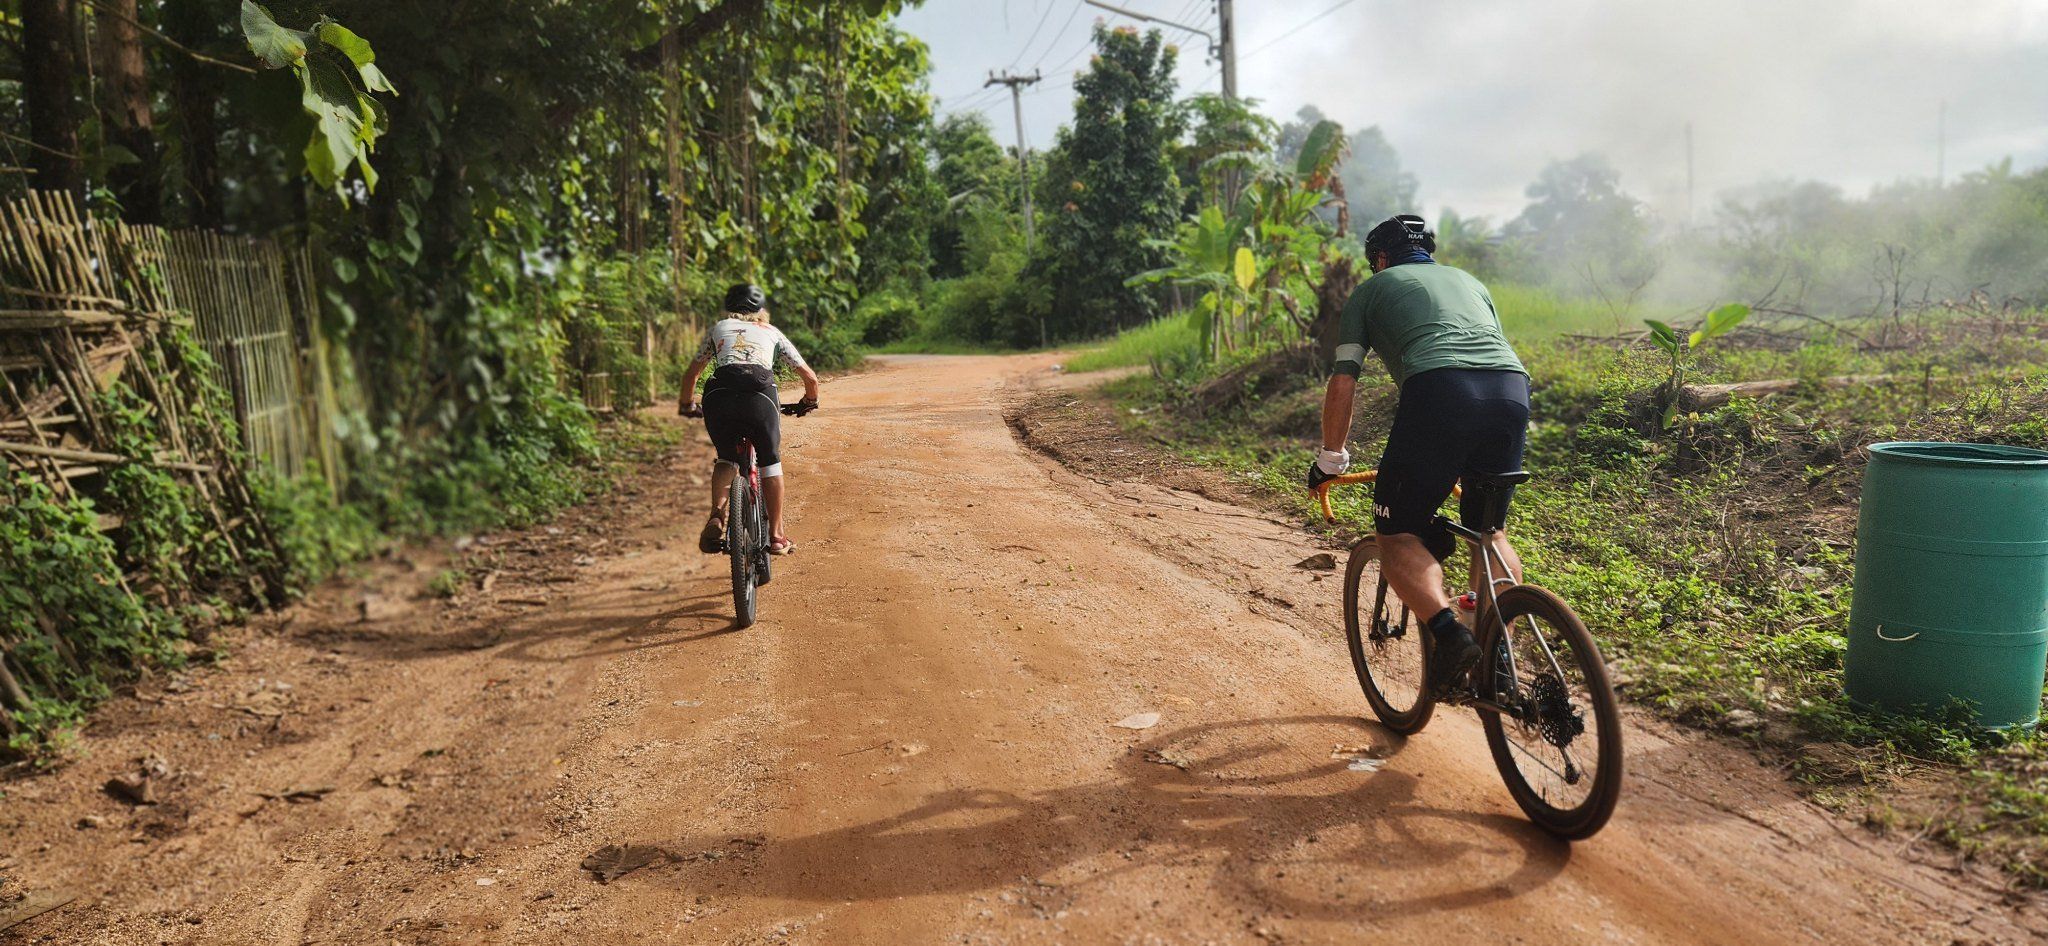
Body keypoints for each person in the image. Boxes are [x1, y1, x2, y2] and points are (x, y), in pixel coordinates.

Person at [1308, 214, 1531, 698]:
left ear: (1381, 259)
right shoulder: (1469, 281)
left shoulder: (1372, 290)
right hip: (1512, 389)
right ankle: (1498, 662)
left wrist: (1331, 459)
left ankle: (1451, 636)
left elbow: (1345, 379)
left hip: (1440, 390)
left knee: (1397, 534)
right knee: (1489, 532)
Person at [678, 283, 820, 556]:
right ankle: (777, 537)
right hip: (760, 398)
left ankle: (717, 517)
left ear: (729, 309)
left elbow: (691, 375)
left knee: (725, 458)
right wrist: (809, 401)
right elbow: (810, 377)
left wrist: (687, 404)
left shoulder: (719, 329)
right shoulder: (771, 332)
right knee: (770, 461)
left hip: (720, 396)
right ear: (761, 310)